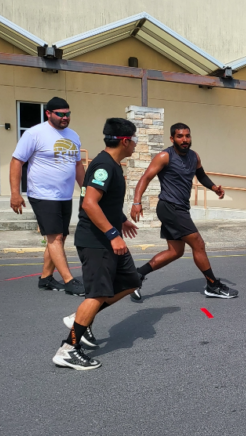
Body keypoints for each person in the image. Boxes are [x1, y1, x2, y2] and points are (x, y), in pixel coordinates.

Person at [52, 118, 141, 370]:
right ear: (124, 141)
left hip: (109, 237)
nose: (135, 145)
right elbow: (89, 203)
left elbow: (104, 202)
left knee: (130, 281)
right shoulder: (104, 165)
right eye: (134, 140)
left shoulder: (111, 165)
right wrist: (113, 234)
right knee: (98, 293)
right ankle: (68, 349)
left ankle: (78, 317)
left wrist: (121, 220)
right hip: (97, 241)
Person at [129, 123, 238, 300]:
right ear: (172, 139)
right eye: (180, 136)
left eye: (187, 136)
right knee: (198, 244)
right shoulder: (165, 156)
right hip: (170, 207)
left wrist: (214, 188)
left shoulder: (194, 157)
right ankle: (212, 285)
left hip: (180, 208)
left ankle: (136, 275)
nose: (185, 139)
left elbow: (200, 175)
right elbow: (146, 177)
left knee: (175, 251)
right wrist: (136, 202)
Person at [10, 97, 85, 296]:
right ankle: (69, 281)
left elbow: (77, 165)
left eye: (68, 114)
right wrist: (15, 193)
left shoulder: (73, 135)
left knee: (60, 237)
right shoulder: (35, 133)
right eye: (60, 114)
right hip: (42, 194)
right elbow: (17, 161)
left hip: (64, 195)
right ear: (48, 113)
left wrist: (85, 190)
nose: (65, 117)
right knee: (55, 237)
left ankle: (45, 279)